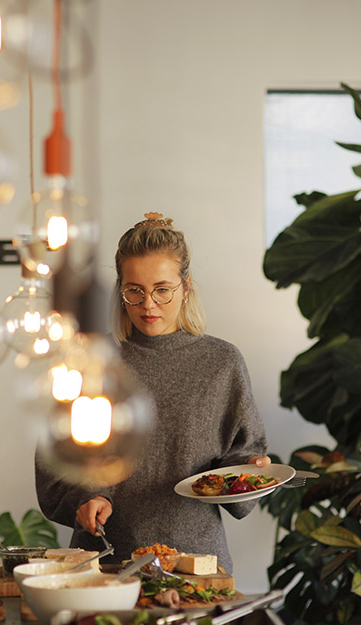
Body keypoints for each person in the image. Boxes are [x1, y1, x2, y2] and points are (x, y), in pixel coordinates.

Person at [35, 212, 270, 574]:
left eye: (162, 289)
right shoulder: (90, 362)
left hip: (197, 565)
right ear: (120, 290)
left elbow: (242, 453)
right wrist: (85, 498)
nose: (148, 304)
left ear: (185, 287)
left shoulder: (222, 363)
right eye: (134, 290)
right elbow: (55, 454)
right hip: (104, 562)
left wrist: (248, 472)